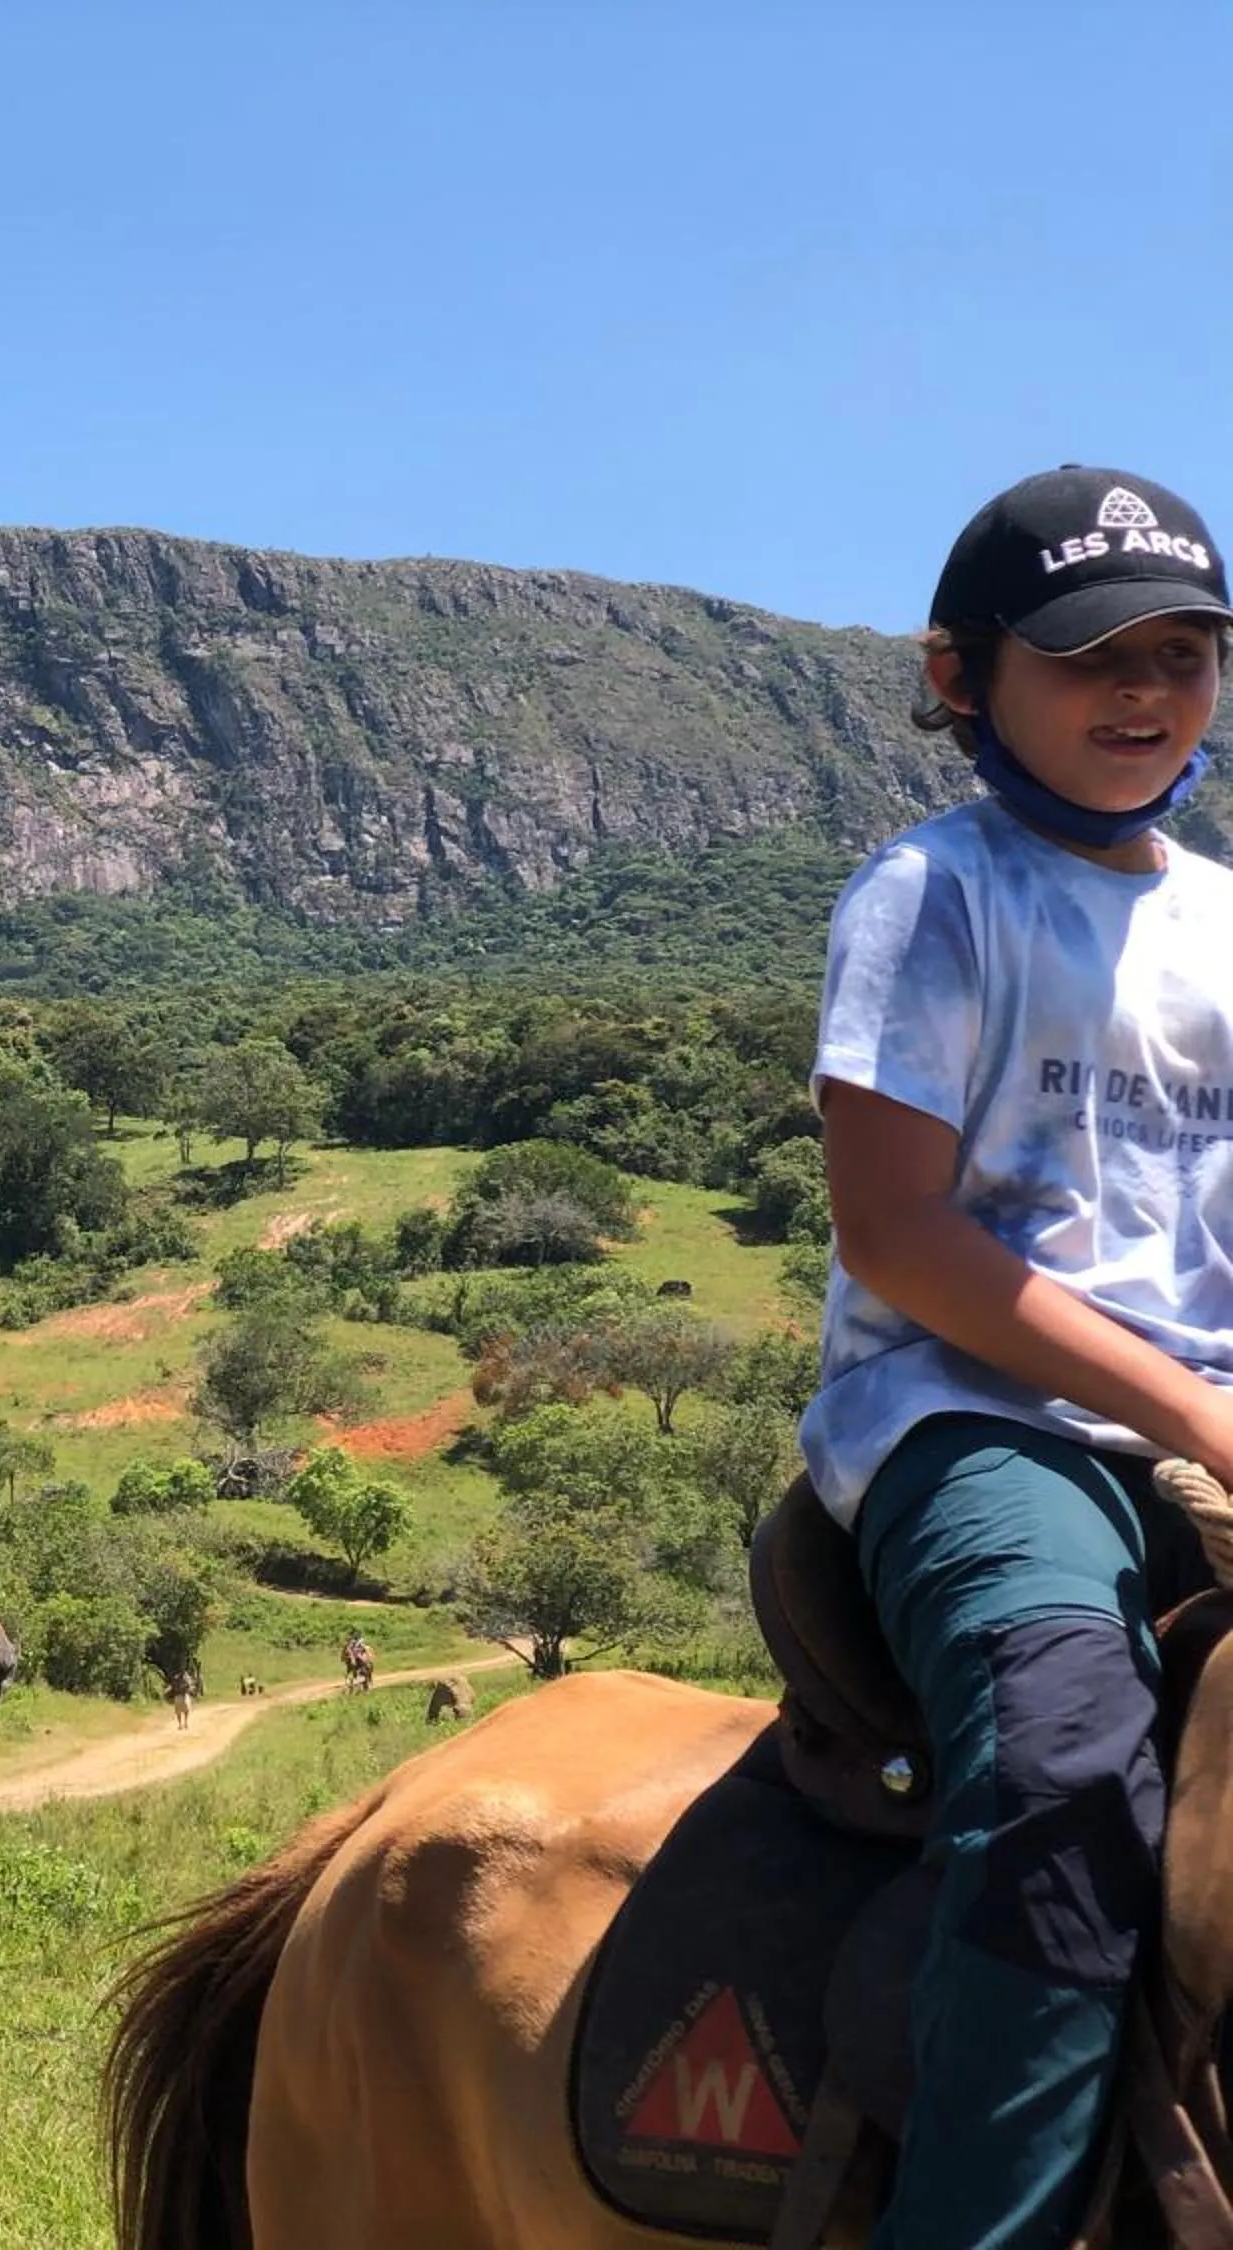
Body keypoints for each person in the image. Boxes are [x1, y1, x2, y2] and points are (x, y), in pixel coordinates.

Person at [800, 465, 1233, 2248]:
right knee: (1065, 1764)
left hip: (1205, 1420)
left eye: (1186, 654)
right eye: (1091, 658)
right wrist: (1202, 1416)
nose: (1146, 693)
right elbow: (901, 1234)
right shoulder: (933, 897)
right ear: (964, 675)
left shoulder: (1224, 918)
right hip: (981, 1424)